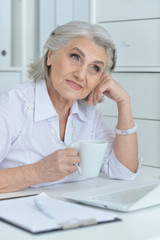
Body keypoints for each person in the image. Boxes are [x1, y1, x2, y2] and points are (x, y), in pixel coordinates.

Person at [0, 21, 139, 193]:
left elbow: (124, 171)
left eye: (94, 68)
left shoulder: (89, 114)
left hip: (71, 213)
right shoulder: (13, 104)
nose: (80, 75)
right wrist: (38, 172)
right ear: (50, 56)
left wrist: (124, 102)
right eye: (75, 57)